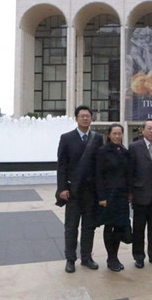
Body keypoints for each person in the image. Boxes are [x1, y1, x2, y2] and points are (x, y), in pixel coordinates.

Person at [55, 105, 103, 273]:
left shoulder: (97, 139)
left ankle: (86, 257)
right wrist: (62, 188)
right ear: (76, 118)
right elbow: (61, 166)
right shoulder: (66, 138)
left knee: (89, 227)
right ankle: (70, 259)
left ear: (91, 118)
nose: (84, 118)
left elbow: (100, 166)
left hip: (91, 192)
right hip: (73, 191)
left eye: (87, 116)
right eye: (81, 116)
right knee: (71, 227)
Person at [128, 119, 152, 268]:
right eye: (149, 129)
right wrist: (130, 192)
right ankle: (139, 256)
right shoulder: (134, 147)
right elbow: (130, 171)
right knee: (138, 228)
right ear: (142, 130)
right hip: (140, 195)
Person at [96, 123, 132, 272]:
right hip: (108, 195)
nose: (117, 136)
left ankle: (115, 256)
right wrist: (101, 196)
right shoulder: (102, 151)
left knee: (119, 226)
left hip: (122, 195)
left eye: (120, 133)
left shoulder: (124, 151)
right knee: (109, 226)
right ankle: (110, 257)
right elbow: (98, 175)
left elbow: (128, 174)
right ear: (109, 135)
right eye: (115, 133)